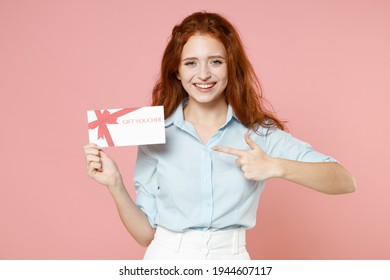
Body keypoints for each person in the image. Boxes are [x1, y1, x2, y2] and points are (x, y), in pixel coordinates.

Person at [83, 11, 356, 260]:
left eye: (215, 61)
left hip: (232, 261)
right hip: (165, 260)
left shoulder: (257, 133)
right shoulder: (154, 132)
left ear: (231, 67)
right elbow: (145, 235)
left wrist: (275, 166)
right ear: (177, 71)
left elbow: (345, 180)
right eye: (191, 63)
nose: (203, 74)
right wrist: (115, 185)